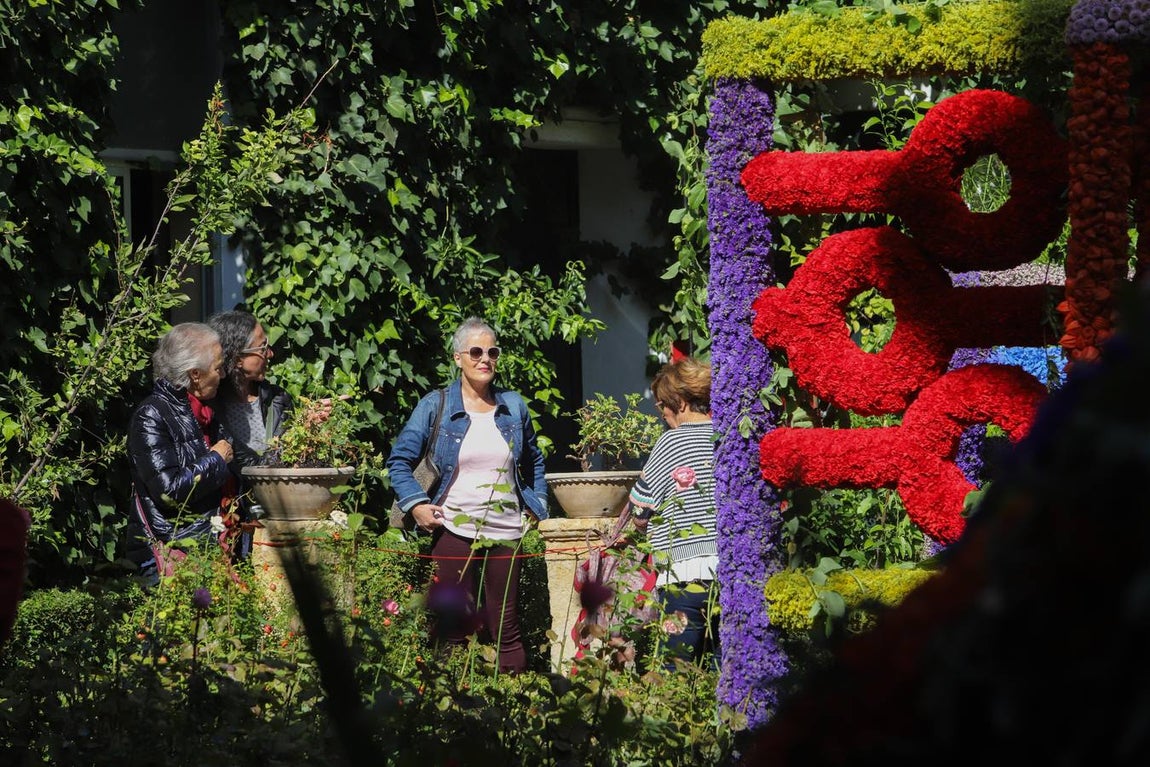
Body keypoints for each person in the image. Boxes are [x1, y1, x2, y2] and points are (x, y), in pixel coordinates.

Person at [386, 317, 548, 673]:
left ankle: (511, 699)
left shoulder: (513, 406)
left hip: (506, 531)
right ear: (458, 358)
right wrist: (417, 505)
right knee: (452, 626)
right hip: (453, 529)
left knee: (505, 628)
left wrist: (537, 506)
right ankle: (446, 700)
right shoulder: (436, 405)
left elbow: (534, 460)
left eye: (492, 352)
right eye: (475, 352)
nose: (485, 359)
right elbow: (399, 461)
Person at [125, 323, 236, 585]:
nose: (223, 375)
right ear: (195, 374)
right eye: (218, 368)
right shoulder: (151, 416)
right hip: (173, 551)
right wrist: (215, 460)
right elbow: (169, 491)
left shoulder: (205, 412)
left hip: (206, 547)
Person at [627, 357, 719, 667]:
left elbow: (640, 508)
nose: (663, 414)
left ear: (679, 402)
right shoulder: (726, 438)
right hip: (727, 576)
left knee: (674, 667)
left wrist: (643, 526)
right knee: (724, 666)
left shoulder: (671, 442)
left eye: (662, 406)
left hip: (681, 580)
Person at [206, 309, 295, 558]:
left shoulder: (277, 399)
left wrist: (308, 424)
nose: (270, 353)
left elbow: (287, 458)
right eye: (262, 347)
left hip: (274, 521)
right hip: (225, 526)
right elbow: (242, 465)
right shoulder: (209, 409)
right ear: (237, 359)